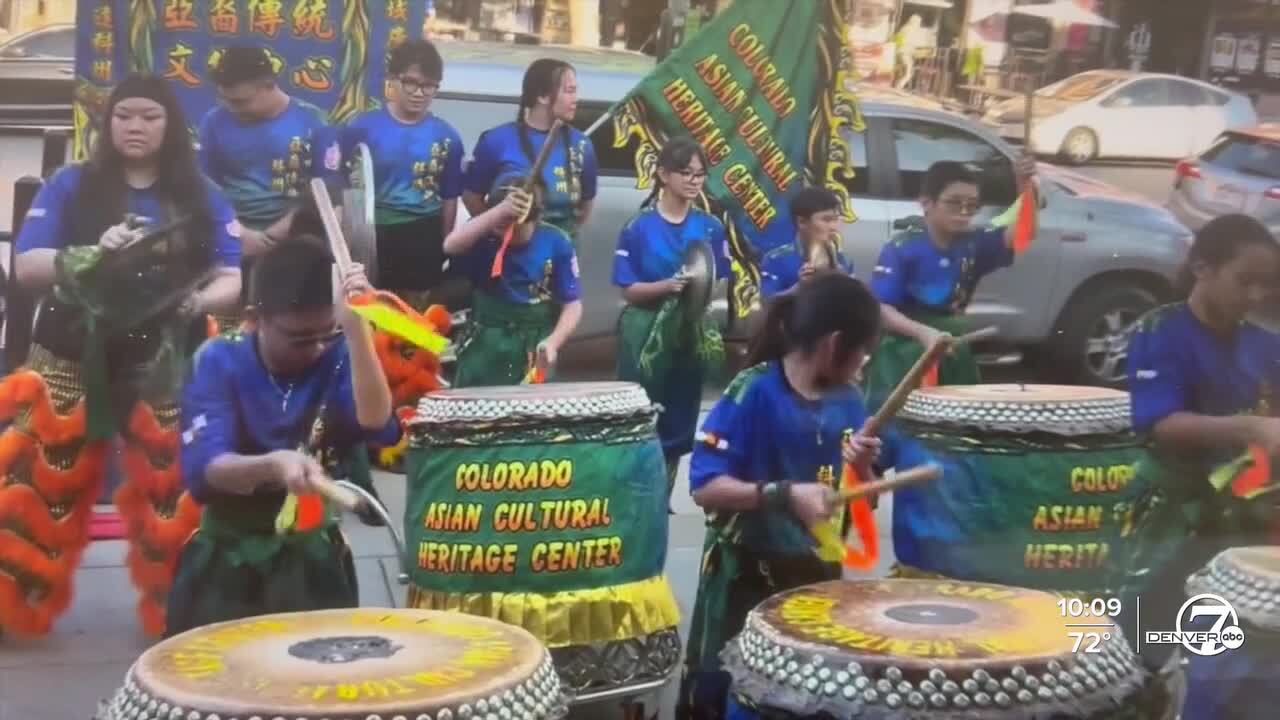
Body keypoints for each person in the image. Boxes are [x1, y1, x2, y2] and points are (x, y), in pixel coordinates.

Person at [0, 73, 242, 637]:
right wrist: (88, 254)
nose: (136, 127)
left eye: (150, 117)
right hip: (69, 350)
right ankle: (14, 603)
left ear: (172, 127)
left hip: (164, 353)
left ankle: (179, 610)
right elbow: (26, 266)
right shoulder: (72, 185)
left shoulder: (200, 193)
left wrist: (193, 303)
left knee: (173, 489)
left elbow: (231, 275)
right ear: (108, 124)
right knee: (37, 484)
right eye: (125, 115)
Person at [676, 273, 932, 720]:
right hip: (745, 577)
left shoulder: (850, 401)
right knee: (735, 692)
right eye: (863, 348)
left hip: (816, 574)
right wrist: (784, 495)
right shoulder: (754, 391)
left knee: (804, 694)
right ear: (834, 344)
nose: (866, 360)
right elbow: (704, 486)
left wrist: (859, 469)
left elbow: (863, 502)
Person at [165, 240, 398, 636]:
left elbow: (375, 421)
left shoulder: (338, 351)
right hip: (228, 558)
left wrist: (357, 333)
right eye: (301, 338)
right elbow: (210, 466)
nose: (318, 347)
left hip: (313, 557)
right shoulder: (218, 359)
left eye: (329, 332)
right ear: (255, 318)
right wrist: (274, 465)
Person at [1119, 214, 1279, 700]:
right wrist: (1252, 426)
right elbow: (1160, 424)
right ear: (1202, 268)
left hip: (1241, 511)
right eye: (1244, 281)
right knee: (1143, 634)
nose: (1255, 297)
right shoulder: (1160, 332)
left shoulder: (1264, 344)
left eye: (1265, 285)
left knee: (1219, 636)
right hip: (1171, 510)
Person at [863, 158, 1037, 406]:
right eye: (955, 203)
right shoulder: (902, 247)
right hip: (903, 354)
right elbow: (881, 308)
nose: (964, 212)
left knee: (957, 427)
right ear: (926, 203)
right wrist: (923, 333)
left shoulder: (973, 243)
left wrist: (1025, 186)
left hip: (952, 350)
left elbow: (1023, 233)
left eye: (972, 205)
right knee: (902, 429)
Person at [613, 137, 731, 501]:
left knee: (679, 420)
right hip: (645, 332)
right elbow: (627, 288)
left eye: (700, 174)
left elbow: (719, 278)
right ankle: (635, 496)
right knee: (642, 418)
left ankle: (661, 498)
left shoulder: (710, 227)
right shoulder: (639, 227)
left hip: (689, 330)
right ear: (663, 174)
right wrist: (666, 286)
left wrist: (698, 293)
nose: (694, 181)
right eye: (685, 172)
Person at [199, 45, 336, 305]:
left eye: (240, 101)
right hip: (232, 241)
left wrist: (278, 234)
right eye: (224, 99)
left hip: (296, 243)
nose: (231, 107)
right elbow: (206, 186)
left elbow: (326, 188)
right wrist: (238, 232)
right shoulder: (214, 122)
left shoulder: (314, 122)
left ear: (269, 84)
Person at [345, 39, 464, 310]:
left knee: (415, 320)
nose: (419, 92)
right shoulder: (361, 128)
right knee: (371, 312)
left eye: (429, 85)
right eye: (411, 82)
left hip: (422, 236)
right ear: (392, 80)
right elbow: (343, 187)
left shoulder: (447, 137)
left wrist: (441, 246)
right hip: (374, 235)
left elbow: (449, 198)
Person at [444, 178, 582, 387]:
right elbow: (451, 246)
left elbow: (572, 304)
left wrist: (553, 342)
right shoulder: (485, 232)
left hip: (533, 339)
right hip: (487, 337)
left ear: (535, 219)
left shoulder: (556, 241)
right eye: (500, 225)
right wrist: (498, 212)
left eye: (513, 227)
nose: (505, 233)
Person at [462, 58, 598, 239]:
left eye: (575, 91)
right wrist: (499, 231)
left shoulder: (581, 145)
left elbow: (585, 207)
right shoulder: (496, 141)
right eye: (569, 91)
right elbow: (472, 197)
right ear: (542, 96)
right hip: (509, 252)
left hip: (560, 254)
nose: (575, 99)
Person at [759, 186, 855, 298]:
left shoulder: (844, 261)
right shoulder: (776, 259)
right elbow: (766, 304)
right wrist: (799, 288)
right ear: (802, 222)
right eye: (826, 220)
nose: (834, 227)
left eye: (836, 219)